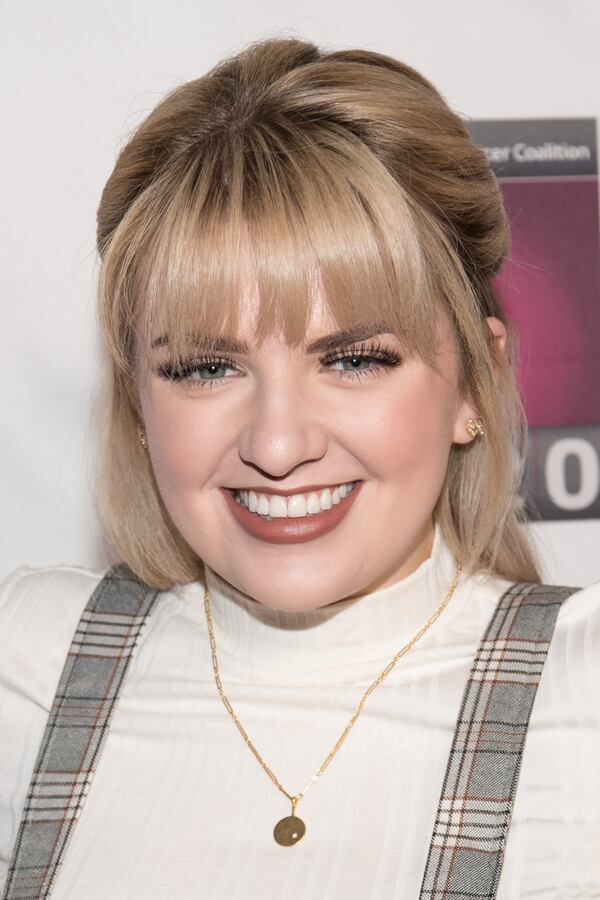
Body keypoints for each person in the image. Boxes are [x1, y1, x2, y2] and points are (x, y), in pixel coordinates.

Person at [1, 35, 598, 900]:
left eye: (354, 359)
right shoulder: (26, 665)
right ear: (139, 404)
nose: (277, 448)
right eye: (207, 368)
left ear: (477, 381)